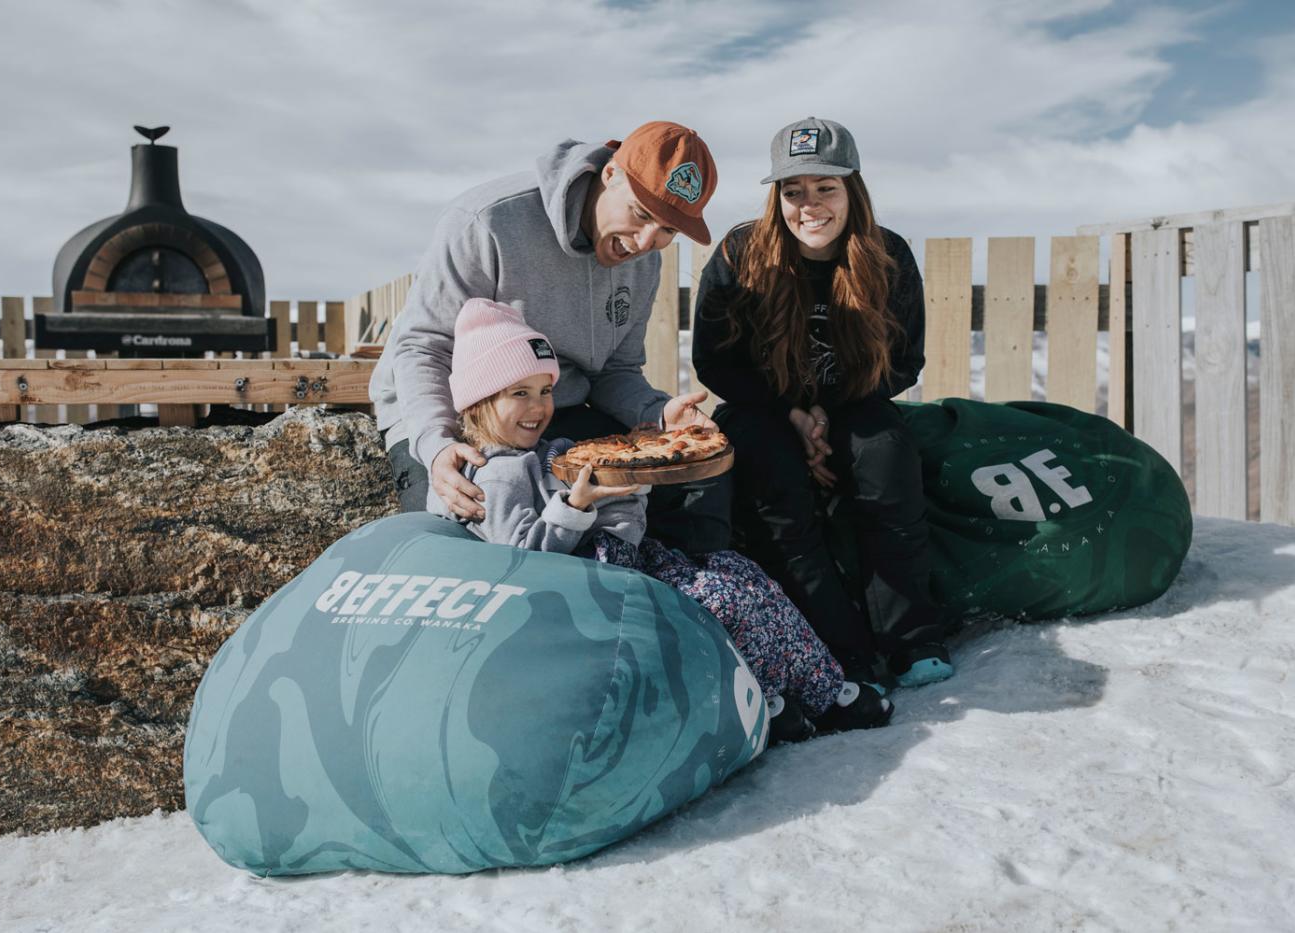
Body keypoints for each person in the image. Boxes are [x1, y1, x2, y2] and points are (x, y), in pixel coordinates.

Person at [445, 297, 894, 742]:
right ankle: (762, 698)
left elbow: (617, 515)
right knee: (721, 601)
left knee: (742, 573)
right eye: (519, 393)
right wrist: (577, 506)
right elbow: (521, 561)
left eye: (545, 391)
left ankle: (823, 688)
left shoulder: (551, 451)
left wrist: (633, 480)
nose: (539, 406)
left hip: (628, 559)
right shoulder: (497, 474)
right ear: (479, 402)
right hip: (592, 586)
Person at [370, 121, 730, 554]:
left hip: (557, 410)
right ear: (610, 174)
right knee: (466, 544)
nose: (647, 242)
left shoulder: (644, 262)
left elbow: (615, 371)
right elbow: (423, 345)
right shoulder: (488, 222)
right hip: (456, 416)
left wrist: (659, 413)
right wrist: (436, 443)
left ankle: (681, 605)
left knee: (688, 489)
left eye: (670, 229)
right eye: (641, 213)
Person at [692, 117, 955, 688]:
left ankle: (912, 640)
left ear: (852, 190)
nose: (809, 206)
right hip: (761, 407)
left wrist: (828, 416)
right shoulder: (742, 252)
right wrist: (791, 411)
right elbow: (714, 361)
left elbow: (905, 361)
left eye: (825, 188)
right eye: (793, 191)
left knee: (885, 459)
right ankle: (840, 652)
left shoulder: (887, 256)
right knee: (775, 484)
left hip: (854, 403)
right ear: (776, 197)